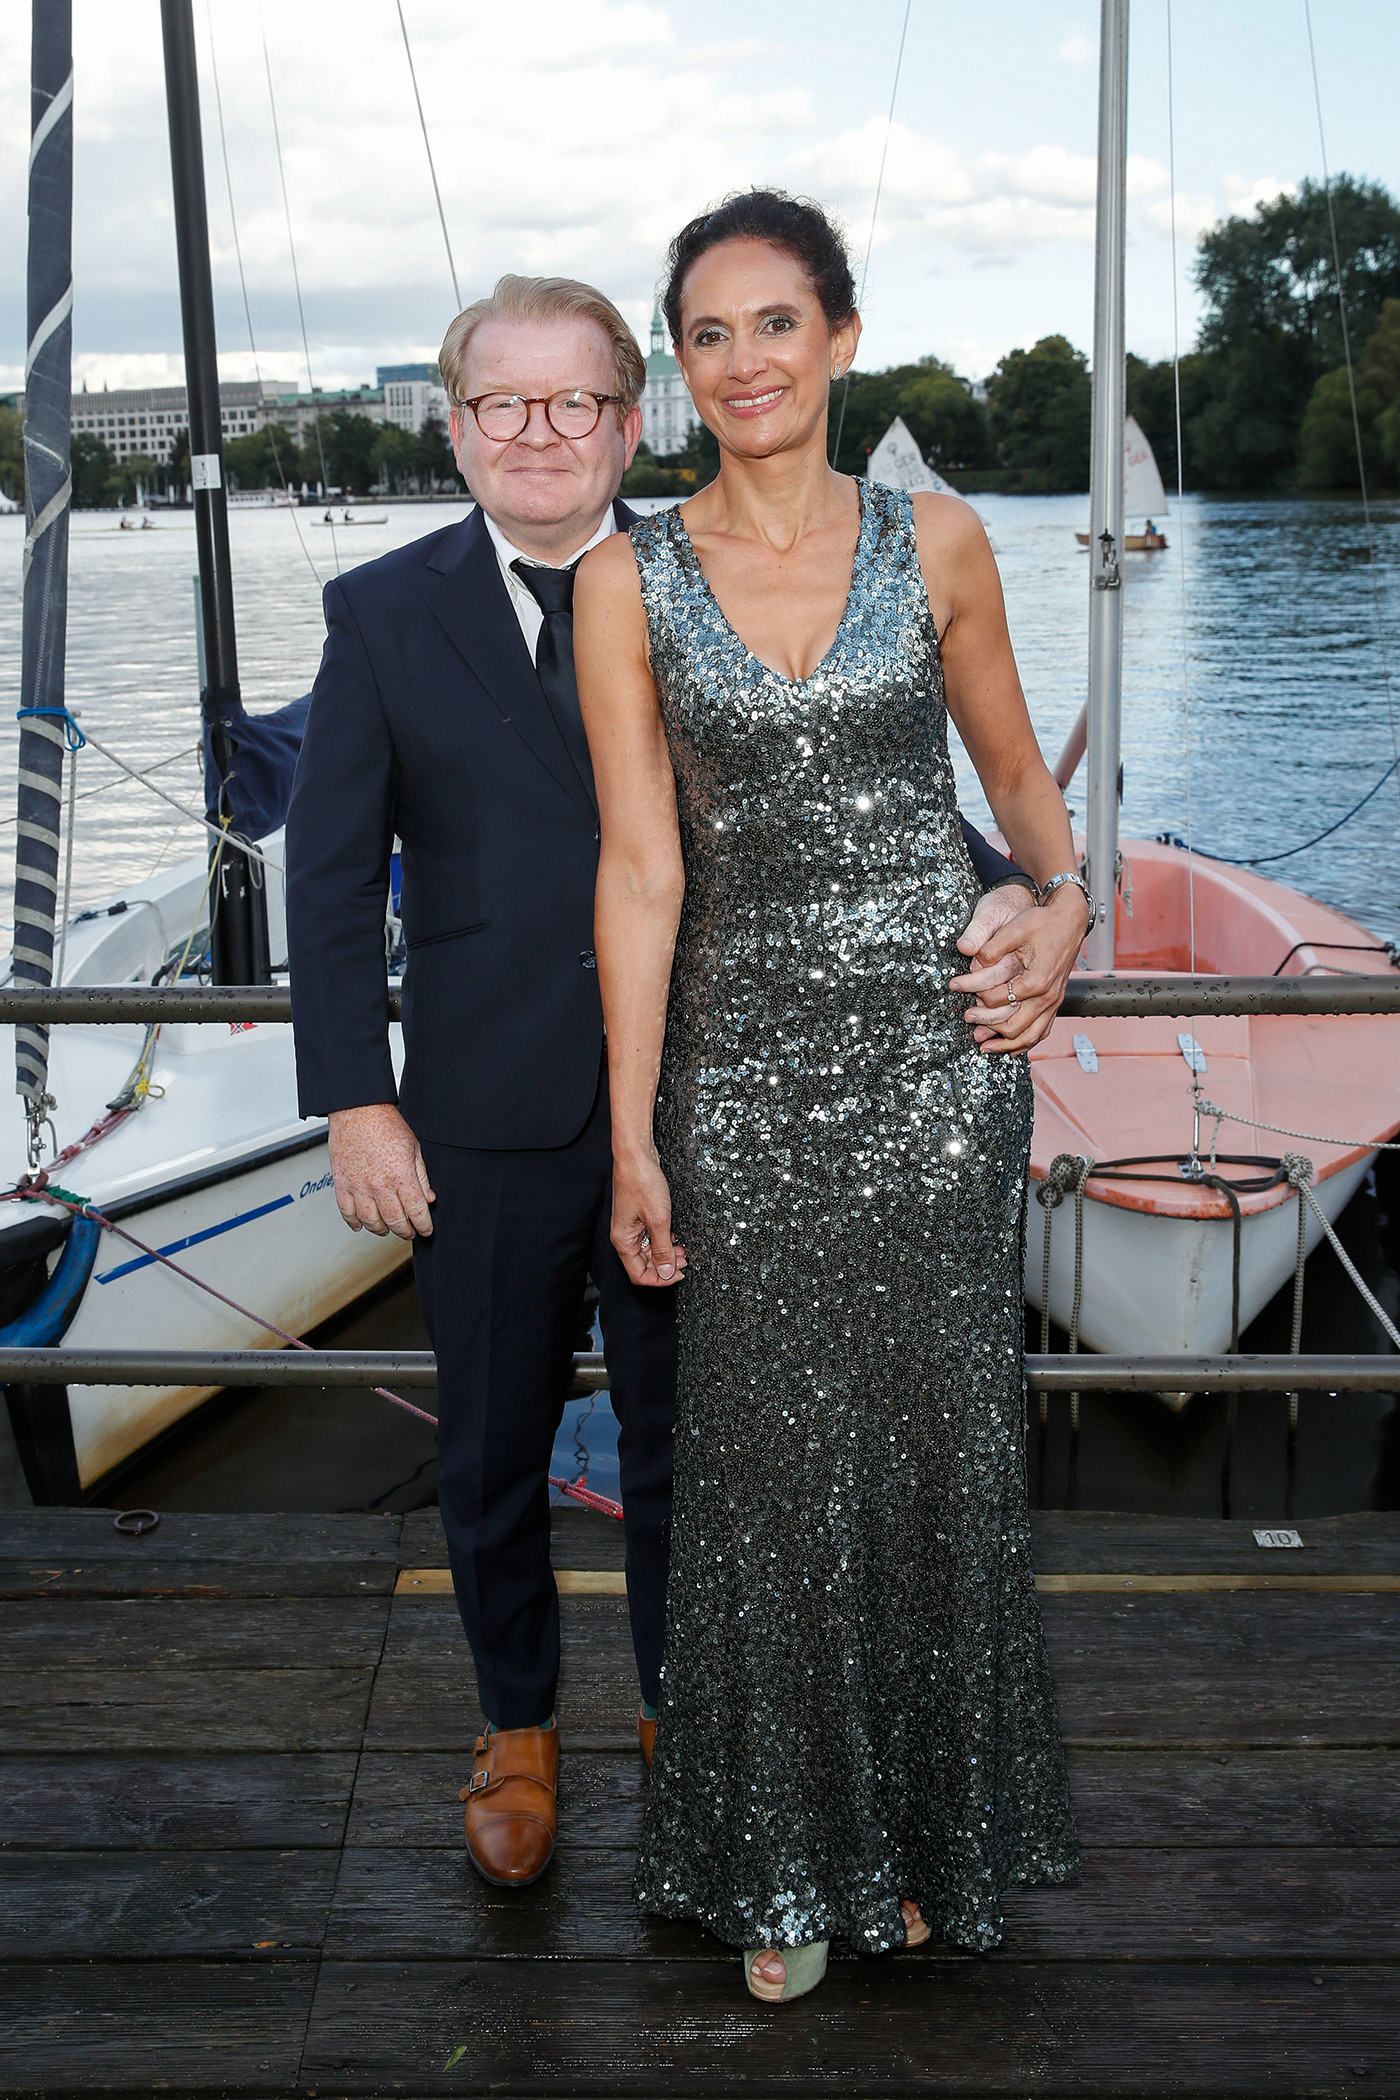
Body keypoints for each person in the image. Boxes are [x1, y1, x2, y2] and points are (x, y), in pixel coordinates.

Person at [286, 271, 1049, 1901]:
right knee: (490, 1446)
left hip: (707, 1097)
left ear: (631, 424)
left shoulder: (696, 574)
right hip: (482, 1109)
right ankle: (517, 1728)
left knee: (694, 1450)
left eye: (575, 401)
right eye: (504, 403)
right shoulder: (380, 614)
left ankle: (689, 1718)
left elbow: (843, 791)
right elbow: (331, 879)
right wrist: (356, 1097)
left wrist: (1020, 893)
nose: (539, 432)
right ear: (456, 428)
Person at [575, 193, 1084, 2004]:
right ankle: (781, 1863)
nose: (746, 362)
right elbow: (640, 873)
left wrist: (1064, 903)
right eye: (708, 334)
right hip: (742, 1080)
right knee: (766, 1476)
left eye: (776, 322)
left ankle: (933, 1839)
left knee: (938, 1459)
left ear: (842, 338)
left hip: (940, 1071)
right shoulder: (623, 581)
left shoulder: (939, 540)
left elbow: (1017, 782)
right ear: (680, 368)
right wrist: (634, 1132)